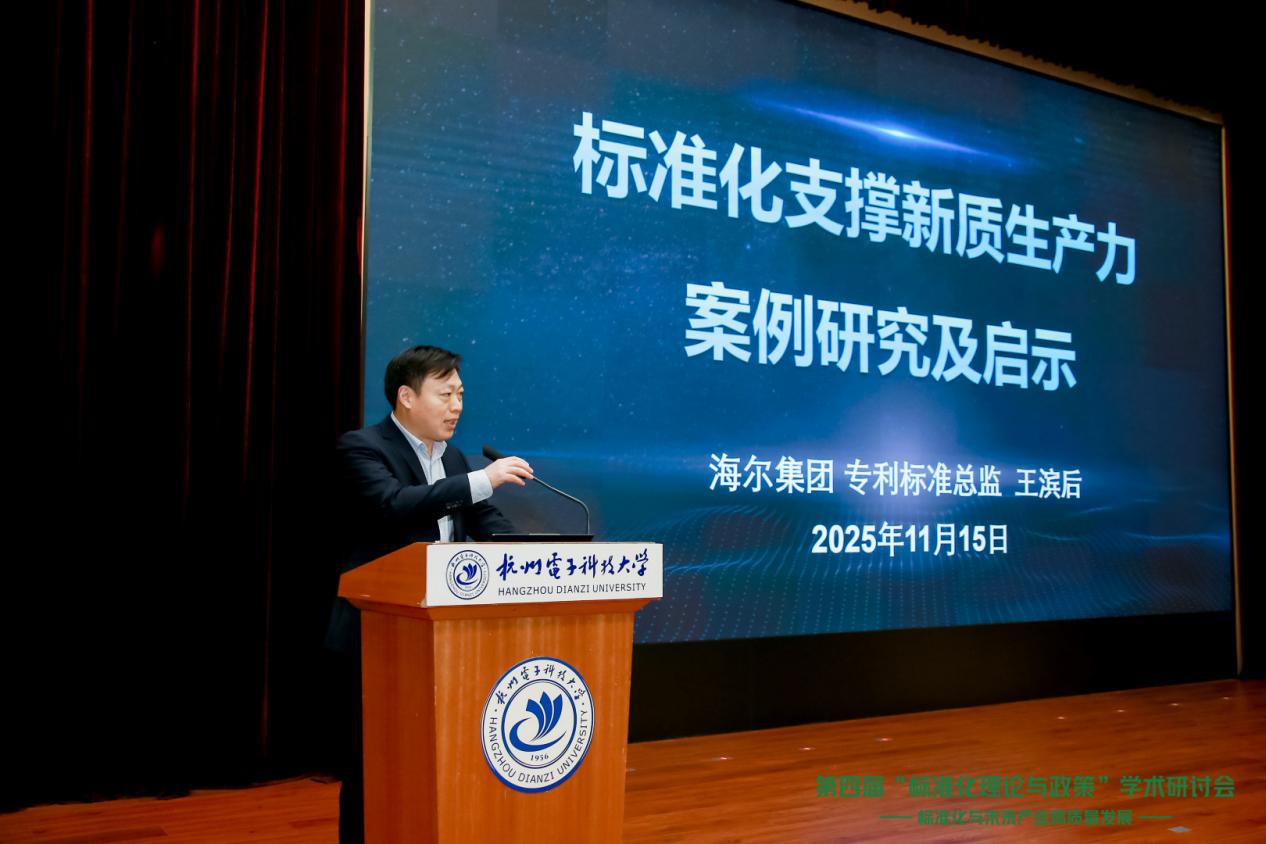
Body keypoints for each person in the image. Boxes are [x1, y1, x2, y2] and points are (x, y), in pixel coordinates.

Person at [325, 344, 533, 844]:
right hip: (377, 636)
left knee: (437, 761)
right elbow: (394, 505)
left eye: (460, 394)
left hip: (443, 638)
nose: (457, 405)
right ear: (406, 396)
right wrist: (481, 480)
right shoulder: (362, 448)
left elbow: (488, 524)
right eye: (445, 394)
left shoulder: (453, 458)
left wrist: (541, 556)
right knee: (374, 765)